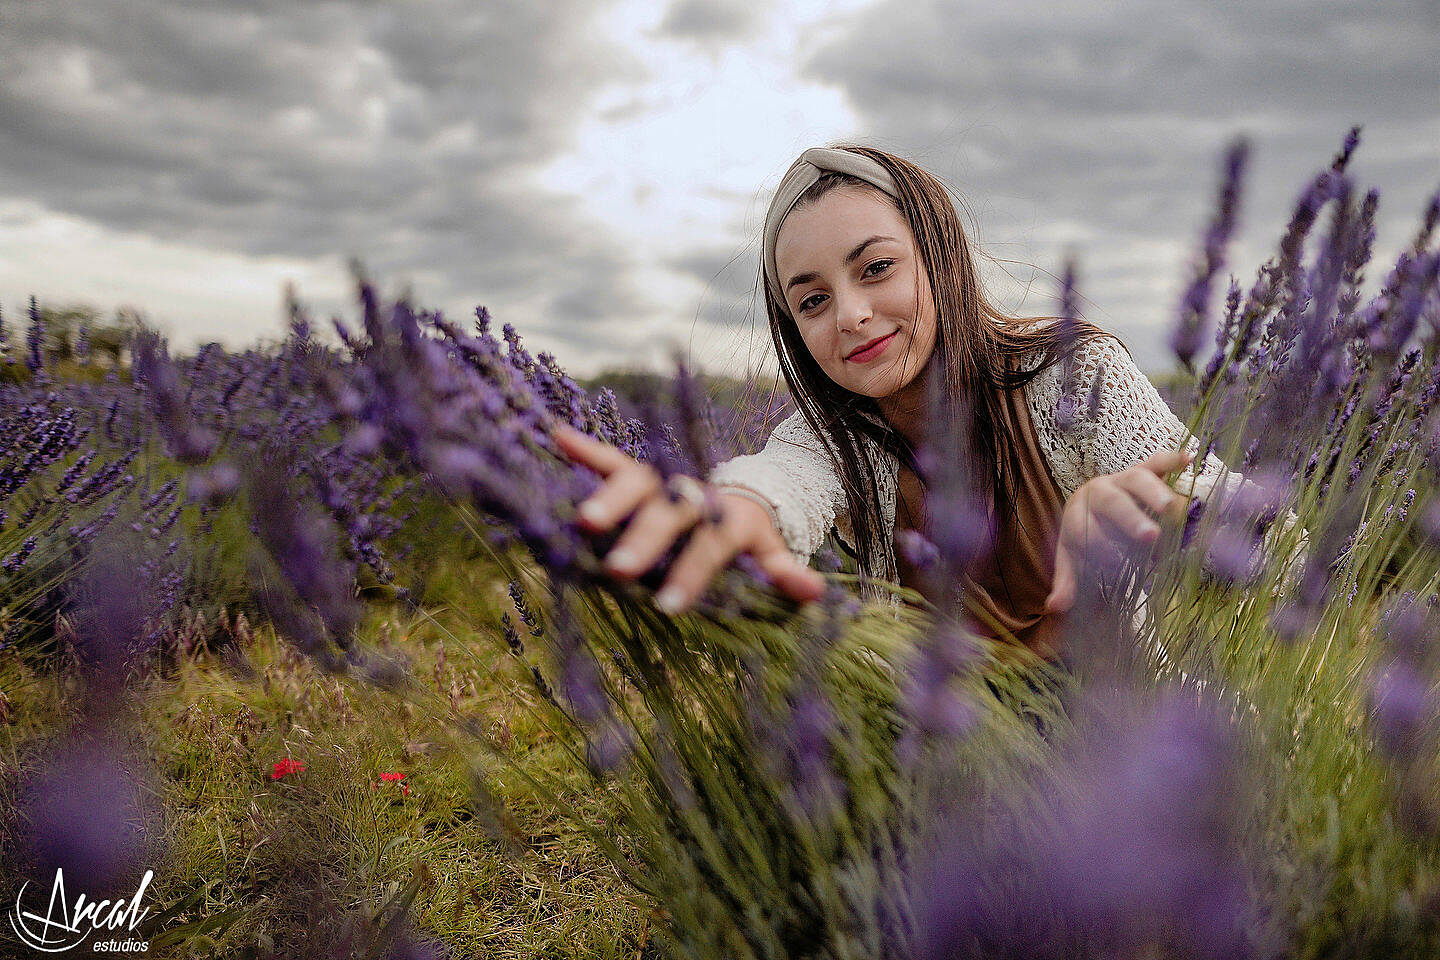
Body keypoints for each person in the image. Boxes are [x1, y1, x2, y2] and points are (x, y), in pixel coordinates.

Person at [553, 144, 1233, 662]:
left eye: (876, 268)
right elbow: (775, 483)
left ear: (939, 257)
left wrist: (1168, 524)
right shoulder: (831, 439)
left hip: (1137, 753)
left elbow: (1274, 543)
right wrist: (736, 510)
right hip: (953, 775)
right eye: (812, 300)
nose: (850, 314)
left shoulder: (1075, 375)